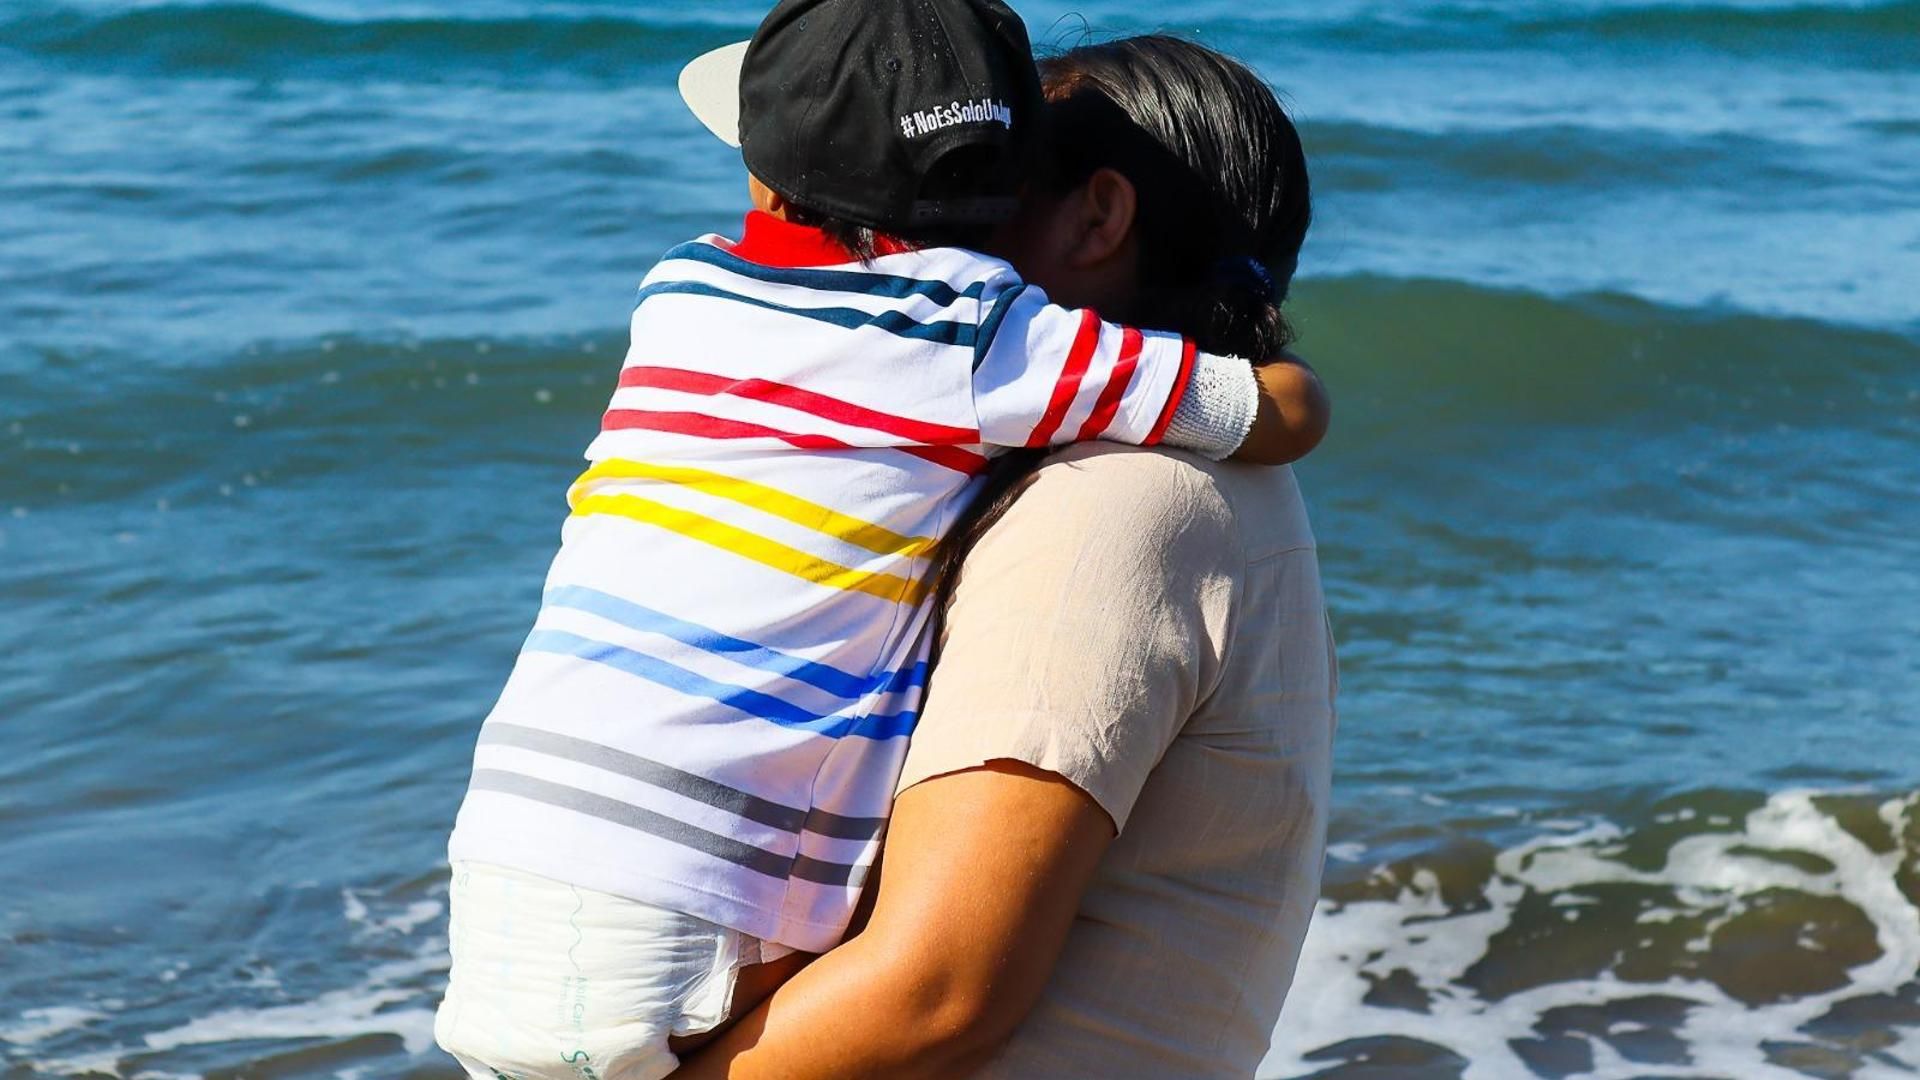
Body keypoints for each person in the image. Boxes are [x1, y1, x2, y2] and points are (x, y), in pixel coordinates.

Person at [432, 3, 1333, 1078]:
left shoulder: (1120, 507)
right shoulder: (1185, 486)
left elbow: (936, 990)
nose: (927, 237)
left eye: (991, 184)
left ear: (1097, 218)